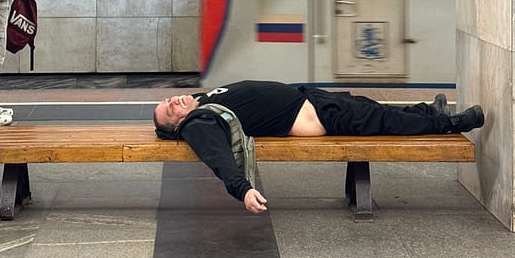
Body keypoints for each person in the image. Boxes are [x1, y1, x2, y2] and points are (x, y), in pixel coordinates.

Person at [153, 80, 485, 214]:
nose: (172, 100)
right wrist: (243, 190)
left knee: (377, 111)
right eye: (170, 109)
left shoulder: (201, 104)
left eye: (167, 100)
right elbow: (218, 158)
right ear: (178, 124)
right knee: (384, 122)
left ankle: (431, 113)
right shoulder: (198, 124)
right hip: (317, 115)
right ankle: (455, 123)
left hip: (312, 99)